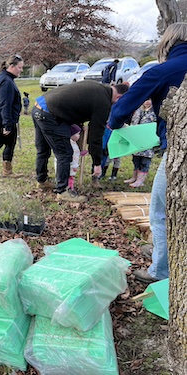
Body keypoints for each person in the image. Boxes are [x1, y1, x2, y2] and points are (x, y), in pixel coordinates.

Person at [108, 23, 187, 283]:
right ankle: (165, 252)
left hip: (179, 151)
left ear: (168, 43)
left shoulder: (163, 71)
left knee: (160, 211)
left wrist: (116, 125)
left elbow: (122, 108)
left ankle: (160, 271)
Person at [32, 80, 129, 202]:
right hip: (50, 114)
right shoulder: (103, 103)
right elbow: (96, 136)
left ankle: (41, 181)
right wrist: (97, 163)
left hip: (38, 106)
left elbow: (76, 104)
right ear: (119, 97)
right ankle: (62, 191)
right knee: (65, 153)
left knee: (43, 148)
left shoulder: (98, 88)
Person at [123, 99, 157, 188]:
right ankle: (134, 177)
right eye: (146, 100)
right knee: (136, 160)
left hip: (147, 141)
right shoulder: (138, 111)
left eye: (149, 100)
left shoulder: (154, 112)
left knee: (145, 161)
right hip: (136, 140)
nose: (147, 102)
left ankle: (140, 180)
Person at [54, 124, 83, 191]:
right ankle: (69, 188)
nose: (79, 136)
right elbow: (72, 155)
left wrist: (81, 153)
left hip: (70, 165)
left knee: (69, 177)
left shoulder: (73, 142)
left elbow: (76, 153)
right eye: (77, 134)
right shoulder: (69, 144)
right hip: (70, 166)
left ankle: (68, 187)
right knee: (69, 177)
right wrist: (74, 166)